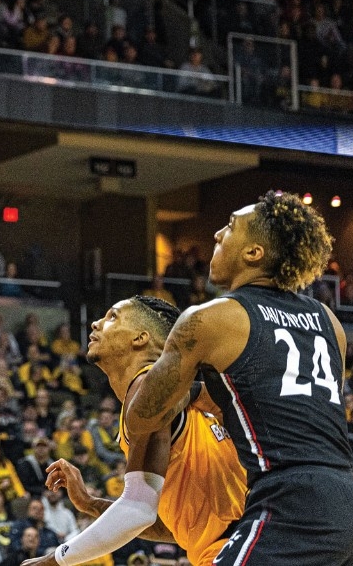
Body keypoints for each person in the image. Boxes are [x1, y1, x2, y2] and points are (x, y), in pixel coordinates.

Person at [125, 191, 353, 565]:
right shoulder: (330, 323)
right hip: (344, 494)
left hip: (289, 499)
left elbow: (142, 418)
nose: (216, 235)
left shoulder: (212, 318)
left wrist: (158, 380)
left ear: (254, 254)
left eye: (230, 227)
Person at [29, 295, 247, 566]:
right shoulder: (172, 401)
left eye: (112, 317)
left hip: (239, 549)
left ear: (140, 338)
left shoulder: (147, 389)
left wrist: (52, 561)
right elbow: (176, 529)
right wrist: (90, 503)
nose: (96, 323)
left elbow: (137, 511)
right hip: (238, 545)